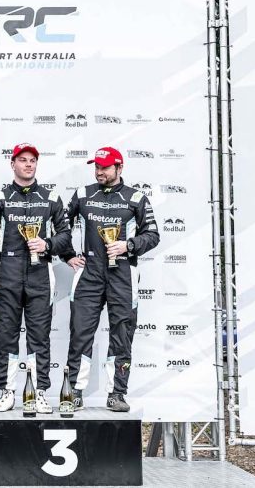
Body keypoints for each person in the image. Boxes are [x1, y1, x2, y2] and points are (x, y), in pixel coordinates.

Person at [56, 147, 160, 412]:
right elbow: (61, 226)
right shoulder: (83, 194)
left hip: (123, 273)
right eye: (97, 167)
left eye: (105, 167)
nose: (99, 171)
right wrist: (67, 255)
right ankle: (74, 391)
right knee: (80, 332)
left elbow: (153, 235)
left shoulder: (136, 198)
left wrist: (129, 245)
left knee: (122, 334)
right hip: (89, 272)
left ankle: (117, 393)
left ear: (119, 168)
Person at [0, 143, 71, 413]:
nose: (28, 164)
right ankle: (7, 392)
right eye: (23, 160)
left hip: (41, 273)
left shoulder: (51, 198)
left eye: (32, 160)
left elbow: (66, 236)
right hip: (7, 271)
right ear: (13, 164)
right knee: (6, 336)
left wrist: (47, 244)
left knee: (39, 337)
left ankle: (38, 393)